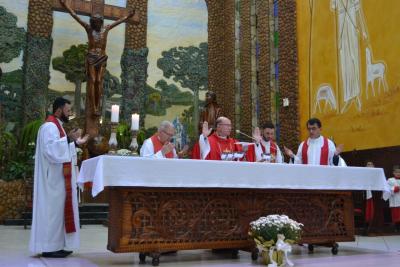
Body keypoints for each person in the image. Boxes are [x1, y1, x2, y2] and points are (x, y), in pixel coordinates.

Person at [29, 97, 89, 257]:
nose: (69, 114)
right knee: (52, 213)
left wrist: (75, 142)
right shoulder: (49, 126)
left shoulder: (58, 126)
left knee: (58, 213)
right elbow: (51, 151)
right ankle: (49, 248)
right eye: (68, 111)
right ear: (59, 110)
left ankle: (58, 245)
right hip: (52, 180)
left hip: (59, 178)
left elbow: (60, 146)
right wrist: (69, 139)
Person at [60, 0, 138, 116]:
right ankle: (93, 106)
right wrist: (66, 6)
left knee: (98, 81)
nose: (96, 24)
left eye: (98, 22)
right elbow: (76, 17)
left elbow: (118, 21)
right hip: (91, 58)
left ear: (100, 22)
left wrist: (128, 16)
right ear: (92, 22)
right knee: (93, 81)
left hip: (101, 58)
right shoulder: (89, 29)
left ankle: (97, 105)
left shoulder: (105, 29)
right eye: (94, 22)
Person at [387, 165, 400, 232]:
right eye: (396, 172)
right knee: (396, 215)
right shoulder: (390, 180)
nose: (398, 173)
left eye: (399, 172)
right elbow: (387, 189)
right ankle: (396, 227)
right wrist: (396, 188)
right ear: (393, 173)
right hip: (395, 200)